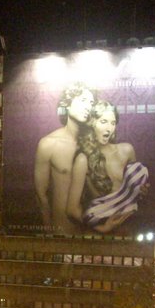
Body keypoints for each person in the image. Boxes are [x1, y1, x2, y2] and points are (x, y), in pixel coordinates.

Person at [66, 100, 149, 233]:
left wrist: (141, 191)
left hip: (131, 228)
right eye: (103, 122)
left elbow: (135, 193)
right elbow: (71, 209)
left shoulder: (127, 150)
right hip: (101, 235)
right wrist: (103, 228)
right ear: (92, 123)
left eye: (113, 122)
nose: (109, 128)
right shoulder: (83, 159)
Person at [34, 83, 95, 232]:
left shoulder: (97, 145)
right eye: (83, 100)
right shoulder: (48, 144)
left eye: (91, 103)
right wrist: (49, 237)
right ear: (67, 104)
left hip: (96, 238)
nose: (88, 106)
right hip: (62, 235)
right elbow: (41, 196)